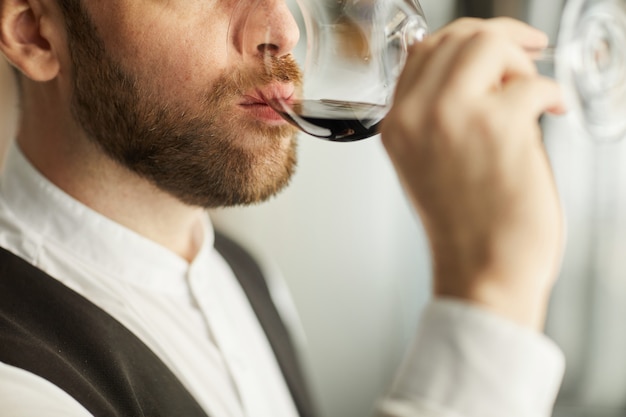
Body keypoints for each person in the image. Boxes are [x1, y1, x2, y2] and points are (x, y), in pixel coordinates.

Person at [0, 0, 566, 416]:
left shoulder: (249, 277)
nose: (284, 30)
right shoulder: (16, 382)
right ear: (35, 35)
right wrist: (490, 296)